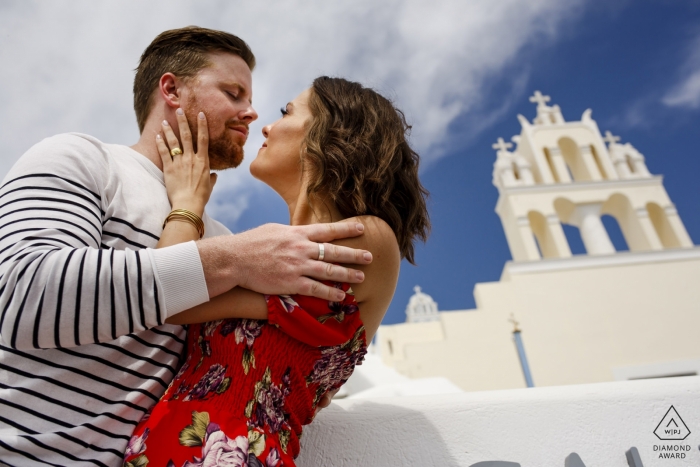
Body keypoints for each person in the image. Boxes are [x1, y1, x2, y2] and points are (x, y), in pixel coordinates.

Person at [0, 27, 374, 466]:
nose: (251, 113)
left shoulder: (228, 241)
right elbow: (21, 297)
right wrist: (231, 259)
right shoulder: (83, 159)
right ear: (172, 89)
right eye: (233, 93)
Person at [123, 77, 430, 466]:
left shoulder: (369, 238)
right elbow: (169, 290)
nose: (265, 126)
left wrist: (187, 205)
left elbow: (167, 293)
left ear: (332, 134)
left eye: (286, 112)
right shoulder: (266, 256)